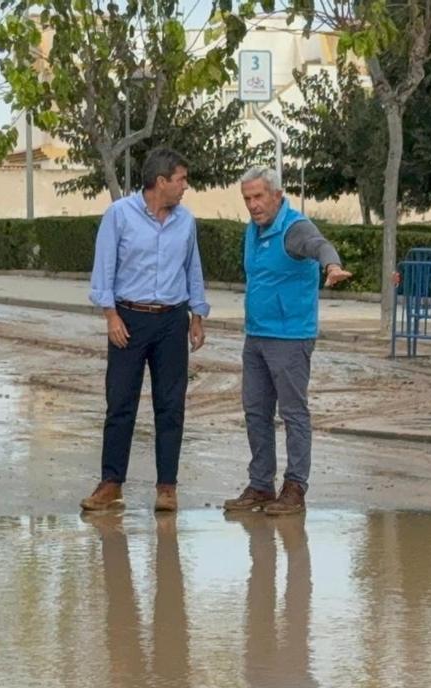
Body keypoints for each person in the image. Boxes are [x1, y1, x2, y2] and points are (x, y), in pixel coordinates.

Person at [83, 148, 209, 513]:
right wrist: (111, 316)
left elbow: (193, 268)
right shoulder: (119, 215)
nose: (185, 187)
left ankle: (167, 487)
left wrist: (197, 316)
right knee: (120, 403)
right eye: (181, 179)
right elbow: (103, 269)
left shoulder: (185, 221)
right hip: (129, 319)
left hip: (172, 321)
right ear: (161, 182)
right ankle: (111, 484)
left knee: (171, 406)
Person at [222, 167, 352, 518]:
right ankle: (261, 485)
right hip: (257, 336)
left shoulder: (294, 228)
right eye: (247, 198)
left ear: (277, 195)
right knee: (255, 412)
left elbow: (319, 245)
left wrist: (332, 266)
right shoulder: (254, 230)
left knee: (293, 413)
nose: (252, 205)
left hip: (291, 338)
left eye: (258, 197)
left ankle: (295, 488)